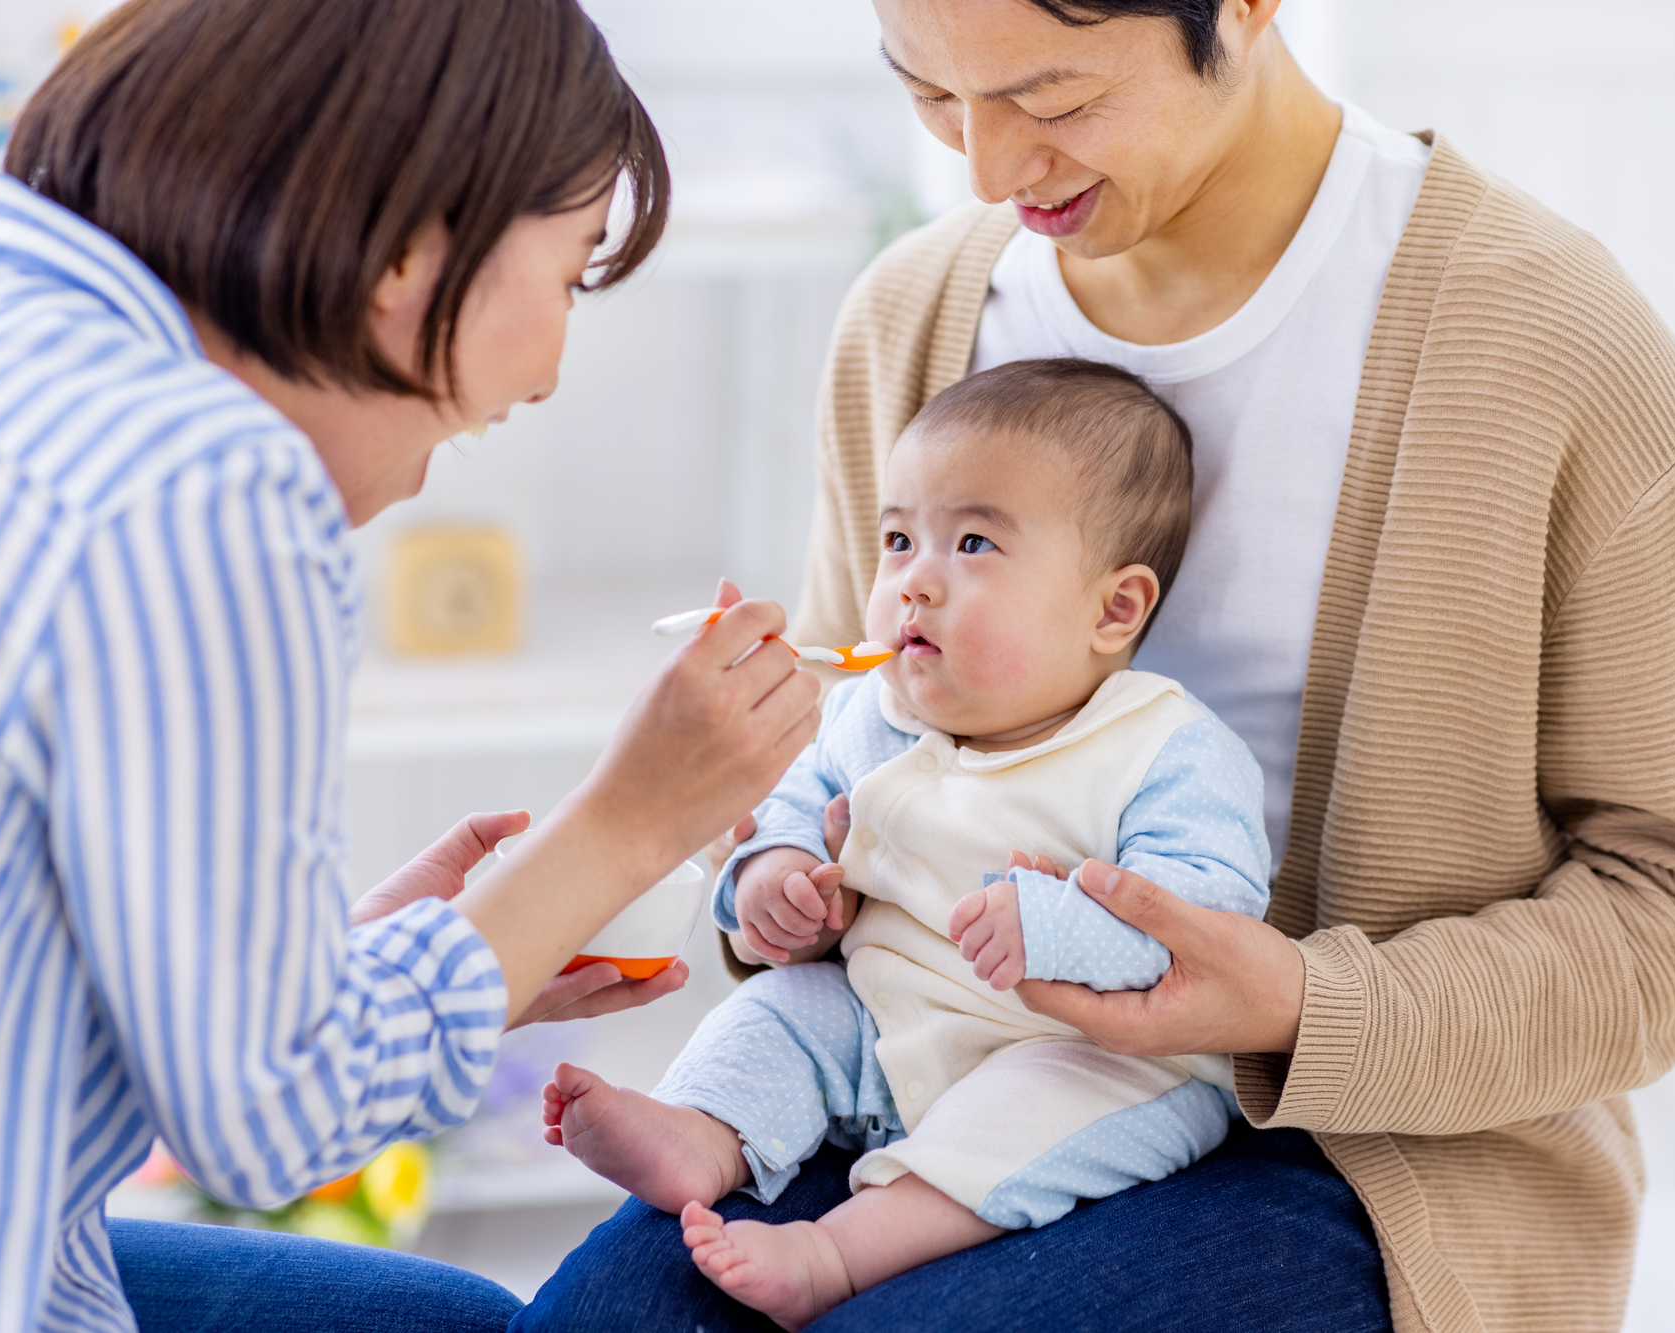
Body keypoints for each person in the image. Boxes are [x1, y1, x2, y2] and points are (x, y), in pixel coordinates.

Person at [519, 1, 1675, 1330]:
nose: (987, 169)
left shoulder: (1554, 346)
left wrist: (1300, 1004)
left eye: (1052, 102)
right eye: (931, 96)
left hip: (1368, 1150)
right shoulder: (914, 314)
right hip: (909, 1039)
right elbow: (857, 735)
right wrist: (775, 873)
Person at [0, 2, 822, 1331]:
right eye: (567, 275)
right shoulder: (198, 475)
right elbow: (269, 1120)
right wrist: (626, 827)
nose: (549, 371)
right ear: (409, 252)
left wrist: (368, 958)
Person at [542, 359, 1273, 1329]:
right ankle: (701, 1132)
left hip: (1084, 1054)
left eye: (971, 543)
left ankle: (835, 1251)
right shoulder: (866, 713)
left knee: (1034, 1104)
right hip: (882, 1033)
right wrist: (776, 879)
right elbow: (790, 809)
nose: (913, 581)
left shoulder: (1163, 748)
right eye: (897, 539)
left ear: (1114, 609)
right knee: (789, 1010)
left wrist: (1057, 926)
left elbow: (1206, 921)